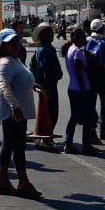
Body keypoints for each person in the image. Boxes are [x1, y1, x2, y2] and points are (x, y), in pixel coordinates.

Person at [0, 28, 43, 199]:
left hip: (18, 111)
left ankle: (5, 180)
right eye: (11, 43)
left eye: (16, 42)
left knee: (12, 145)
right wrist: (15, 107)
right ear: (3, 46)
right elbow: (4, 86)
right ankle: (21, 182)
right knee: (16, 147)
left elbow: (20, 79)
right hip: (13, 113)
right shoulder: (5, 63)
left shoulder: (15, 60)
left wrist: (32, 85)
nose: (15, 45)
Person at [62, 28, 97, 154]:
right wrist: (83, 88)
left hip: (72, 88)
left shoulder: (69, 50)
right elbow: (78, 69)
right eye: (83, 38)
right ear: (77, 38)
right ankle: (86, 145)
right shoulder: (78, 52)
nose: (85, 40)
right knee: (87, 118)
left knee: (74, 117)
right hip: (81, 89)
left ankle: (68, 142)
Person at [30, 22, 62, 151]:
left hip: (50, 85)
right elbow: (44, 70)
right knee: (50, 113)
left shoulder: (49, 47)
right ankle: (45, 139)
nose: (51, 34)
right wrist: (49, 89)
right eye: (48, 32)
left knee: (50, 112)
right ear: (42, 35)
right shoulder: (43, 49)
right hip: (48, 86)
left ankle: (44, 138)